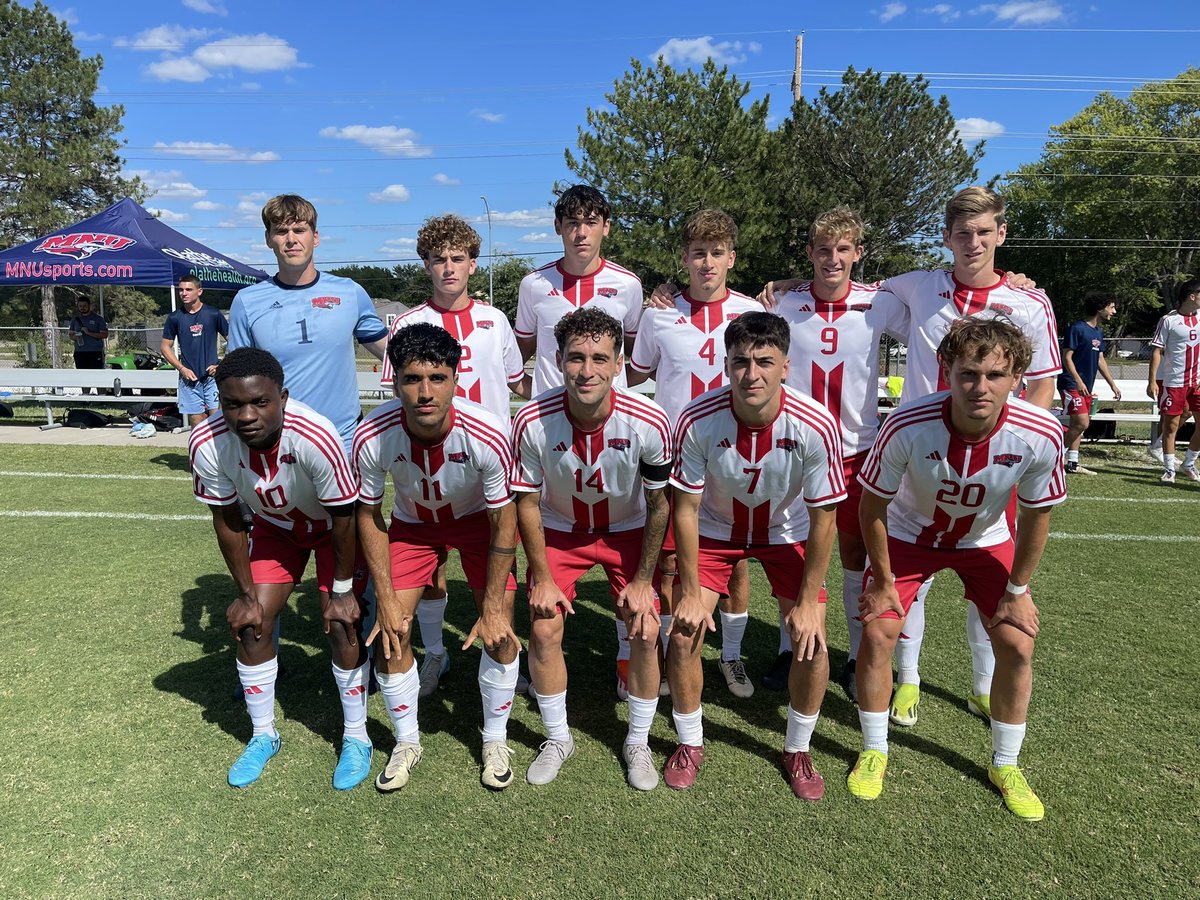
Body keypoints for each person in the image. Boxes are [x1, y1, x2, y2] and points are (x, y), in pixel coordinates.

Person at [767, 187, 1060, 727]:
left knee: (986, 568)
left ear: (1000, 234)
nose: (973, 242)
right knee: (903, 570)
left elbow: (1041, 384)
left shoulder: (1029, 301)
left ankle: (980, 683)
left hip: (993, 460)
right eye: (962, 233)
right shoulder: (916, 287)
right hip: (912, 453)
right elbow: (841, 287)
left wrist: (1019, 447)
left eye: (983, 232)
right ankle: (906, 678)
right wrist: (788, 286)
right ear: (946, 238)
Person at [853, 317, 1065, 821]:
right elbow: (872, 507)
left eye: (995, 375)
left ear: (1018, 378)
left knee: (1017, 642)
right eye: (969, 373)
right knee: (879, 634)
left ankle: (1006, 763)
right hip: (909, 534)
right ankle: (875, 749)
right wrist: (884, 582)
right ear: (946, 370)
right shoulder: (907, 423)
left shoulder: (1039, 432)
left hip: (983, 540)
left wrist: (1019, 588)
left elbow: (1037, 518)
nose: (980, 387)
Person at [667, 311, 843, 794]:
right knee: (683, 635)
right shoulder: (697, 418)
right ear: (726, 365)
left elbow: (824, 517)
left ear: (786, 366)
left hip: (787, 533)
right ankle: (690, 741)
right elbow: (685, 508)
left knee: (811, 642)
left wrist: (808, 603)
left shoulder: (816, 423)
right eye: (741, 361)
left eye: (765, 361)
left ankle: (799, 749)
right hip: (716, 532)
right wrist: (686, 589)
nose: (752, 373)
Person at [189, 348, 368, 790]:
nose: (246, 415)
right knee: (253, 623)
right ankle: (263, 734)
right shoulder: (206, 442)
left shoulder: (315, 435)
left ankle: (357, 737)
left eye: (260, 402)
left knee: (342, 623)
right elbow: (227, 517)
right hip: (276, 529)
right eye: (233, 404)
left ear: (282, 397)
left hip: (331, 529)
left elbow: (345, 516)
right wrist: (246, 594)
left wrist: (342, 591)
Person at [354, 323, 521, 791]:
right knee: (390, 631)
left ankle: (494, 738)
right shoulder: (374, 432)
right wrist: (384, 597)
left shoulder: (486, 431)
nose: (424, 392)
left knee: (500, 630)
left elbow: (503, 520)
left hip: (475, 524)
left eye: (436, 378)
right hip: (413, 527)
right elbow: (368, 514)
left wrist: (490, 604)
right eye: (411, 379)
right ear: (394, 380)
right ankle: (407, 741)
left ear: (455, 377)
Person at [512, 308, 672, 790]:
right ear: (558, 360)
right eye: (576, 358)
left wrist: (643, 581)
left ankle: (638, 740)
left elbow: (660, 504)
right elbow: (526, 502)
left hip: (626, 530)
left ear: (619, 363)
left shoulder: (648, 420)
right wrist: (539, 576)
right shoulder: (531, 419)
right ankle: (558, 737)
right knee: (543, 629)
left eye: (600, 358)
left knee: (645, 630)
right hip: (562, 531)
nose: (587, 370)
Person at [378, 214, 530, 699]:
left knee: (498, 569)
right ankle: (435, 654)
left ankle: (501, 657)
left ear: (472, 263)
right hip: (429, 465)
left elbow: (515, 383)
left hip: (486, 465)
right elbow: (396, 397)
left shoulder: (495, 320)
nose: (448, 268)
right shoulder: (407, 322)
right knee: (432, 570)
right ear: (425, 264)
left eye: (457, 258)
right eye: (438, 259)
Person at [773, 207, 911, 703]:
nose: (833, 259)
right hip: (795, 449)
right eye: (824, 250)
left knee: (856, 558)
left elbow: (934, 329)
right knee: (789, 552)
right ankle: (792, 648)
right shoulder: (785, 304)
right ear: (810, 254)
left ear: (858, 254)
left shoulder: (879, 303)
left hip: (856, 450)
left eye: (843, 249)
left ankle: (855, 659)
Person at [515, 184, 646, 697]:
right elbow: (524, 349)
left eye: (591, 221)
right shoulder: (533, 285)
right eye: (571, 221)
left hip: (610, 427)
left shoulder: (629, 286)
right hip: (551, 430)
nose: (581, 231)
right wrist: (533, 395)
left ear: (605, 227)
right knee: (551, 519)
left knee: (619, 518)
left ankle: (623, 656)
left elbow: (632, 348)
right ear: (558, 228)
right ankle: (544, 655)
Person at [627, 208, 761, 700]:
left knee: (736, 561)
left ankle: (730, 657)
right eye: (698, 253)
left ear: (732, 257)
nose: (708, 263)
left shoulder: (752, 312)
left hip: (734, 452)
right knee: (667, 562)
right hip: (675, 455)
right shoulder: (658, 314)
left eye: (717, 253)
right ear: (684, 258)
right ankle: (664, 655)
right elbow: (637, 374)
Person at [227, 194, 389, 450]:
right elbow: (235, 378)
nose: (291, 239)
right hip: (279, 443)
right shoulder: (247, 301)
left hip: (342, 441)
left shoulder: (349, 292)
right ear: (268, 239)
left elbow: (392, 352)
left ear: (315, 236)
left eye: (300, 229)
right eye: (281, 231)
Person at [1058, 292, 1121, 474]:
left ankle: (1072, 463)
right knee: (1082, 423)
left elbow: (1100, 359)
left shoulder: (1098, 332)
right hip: (1071, 383)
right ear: (1100, 308)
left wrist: (1112, 385)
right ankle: (1054, 458)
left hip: (1086, 387)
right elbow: (1067, 357)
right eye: (1111, 307)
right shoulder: (1077, 328)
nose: (1114, 311)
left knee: (1078, 424)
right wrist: (1078, 381)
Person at [1147, 279, 1200, 483]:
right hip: (1174, 382)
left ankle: (1188, 463)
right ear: (1192, 296)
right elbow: (1156, 351)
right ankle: (1170, 470)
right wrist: (1151, 381)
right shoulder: (1168, 320)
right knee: (1171, 426)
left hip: (1196, 382)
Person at [161, 274, 230, 427]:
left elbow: (233, 340)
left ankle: (219, 452)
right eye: (181, 290)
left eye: (188, 289)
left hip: (212, 378)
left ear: (199, 291)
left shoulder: (213, 314)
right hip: (188, 380)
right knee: (197, 424)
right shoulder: (175, 317)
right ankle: (199, 451)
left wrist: (221, 365)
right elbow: (165, 347)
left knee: (218, 421)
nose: (183, 293)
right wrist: (181, 368)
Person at [68, 297, 109, 392]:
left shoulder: (98, 319)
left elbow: (104, 334)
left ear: (89, 306)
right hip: (80, 352)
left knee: (98, 375)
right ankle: (86, 397)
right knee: (83, 376)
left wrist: (89, 333)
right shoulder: (75, 319)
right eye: (80, 306)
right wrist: (75, 337)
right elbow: (70, 334)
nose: (82, 308)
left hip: (95, 352)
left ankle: (101, 397)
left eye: (85, 306)